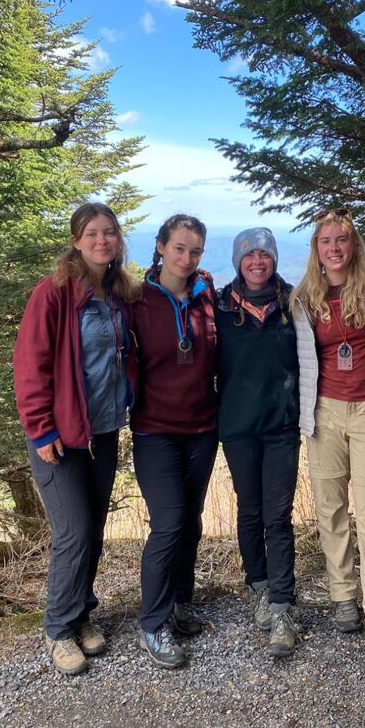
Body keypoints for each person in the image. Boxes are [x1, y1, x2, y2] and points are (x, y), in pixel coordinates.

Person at [13, 202, 139, 676]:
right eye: (92, 233)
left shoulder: (118, 292)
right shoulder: (54, 293)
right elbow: (29, 364)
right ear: (76, 240)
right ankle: (58, 628)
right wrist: (40, 427)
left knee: (92, 530)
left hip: (102, 430)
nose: (101, 240)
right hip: (59, 435)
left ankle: (81, 610)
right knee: (71, 533)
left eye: (109, 232)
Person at [291, 209, 365, 663]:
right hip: (324, 412)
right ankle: (343, 597)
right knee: (330, 510)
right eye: (325, 241)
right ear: (316, 249)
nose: (334, 248)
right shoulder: (303, 297)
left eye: (342, 240)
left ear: (353, 246)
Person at [130, 214, 218, 669]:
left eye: (195, 250)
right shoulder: (137, 299)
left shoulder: (207, 295)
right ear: (161, 247)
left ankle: (182, 601)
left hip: (203, 428)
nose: (187, 257)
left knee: (192, 520)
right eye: (179, 248)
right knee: (168, 522)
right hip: (154, 430)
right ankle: (153, 620)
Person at [216, 228, 300, 657]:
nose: (257, 261)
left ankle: (282, 603)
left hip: (283, 425)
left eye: (265, 254)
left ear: (273, 259)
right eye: (249, 255)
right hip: (238, 425)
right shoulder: (217, 306)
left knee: (278, 515)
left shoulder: (294, 302)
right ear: (238, 261)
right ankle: (259, 585)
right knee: (249, 510)